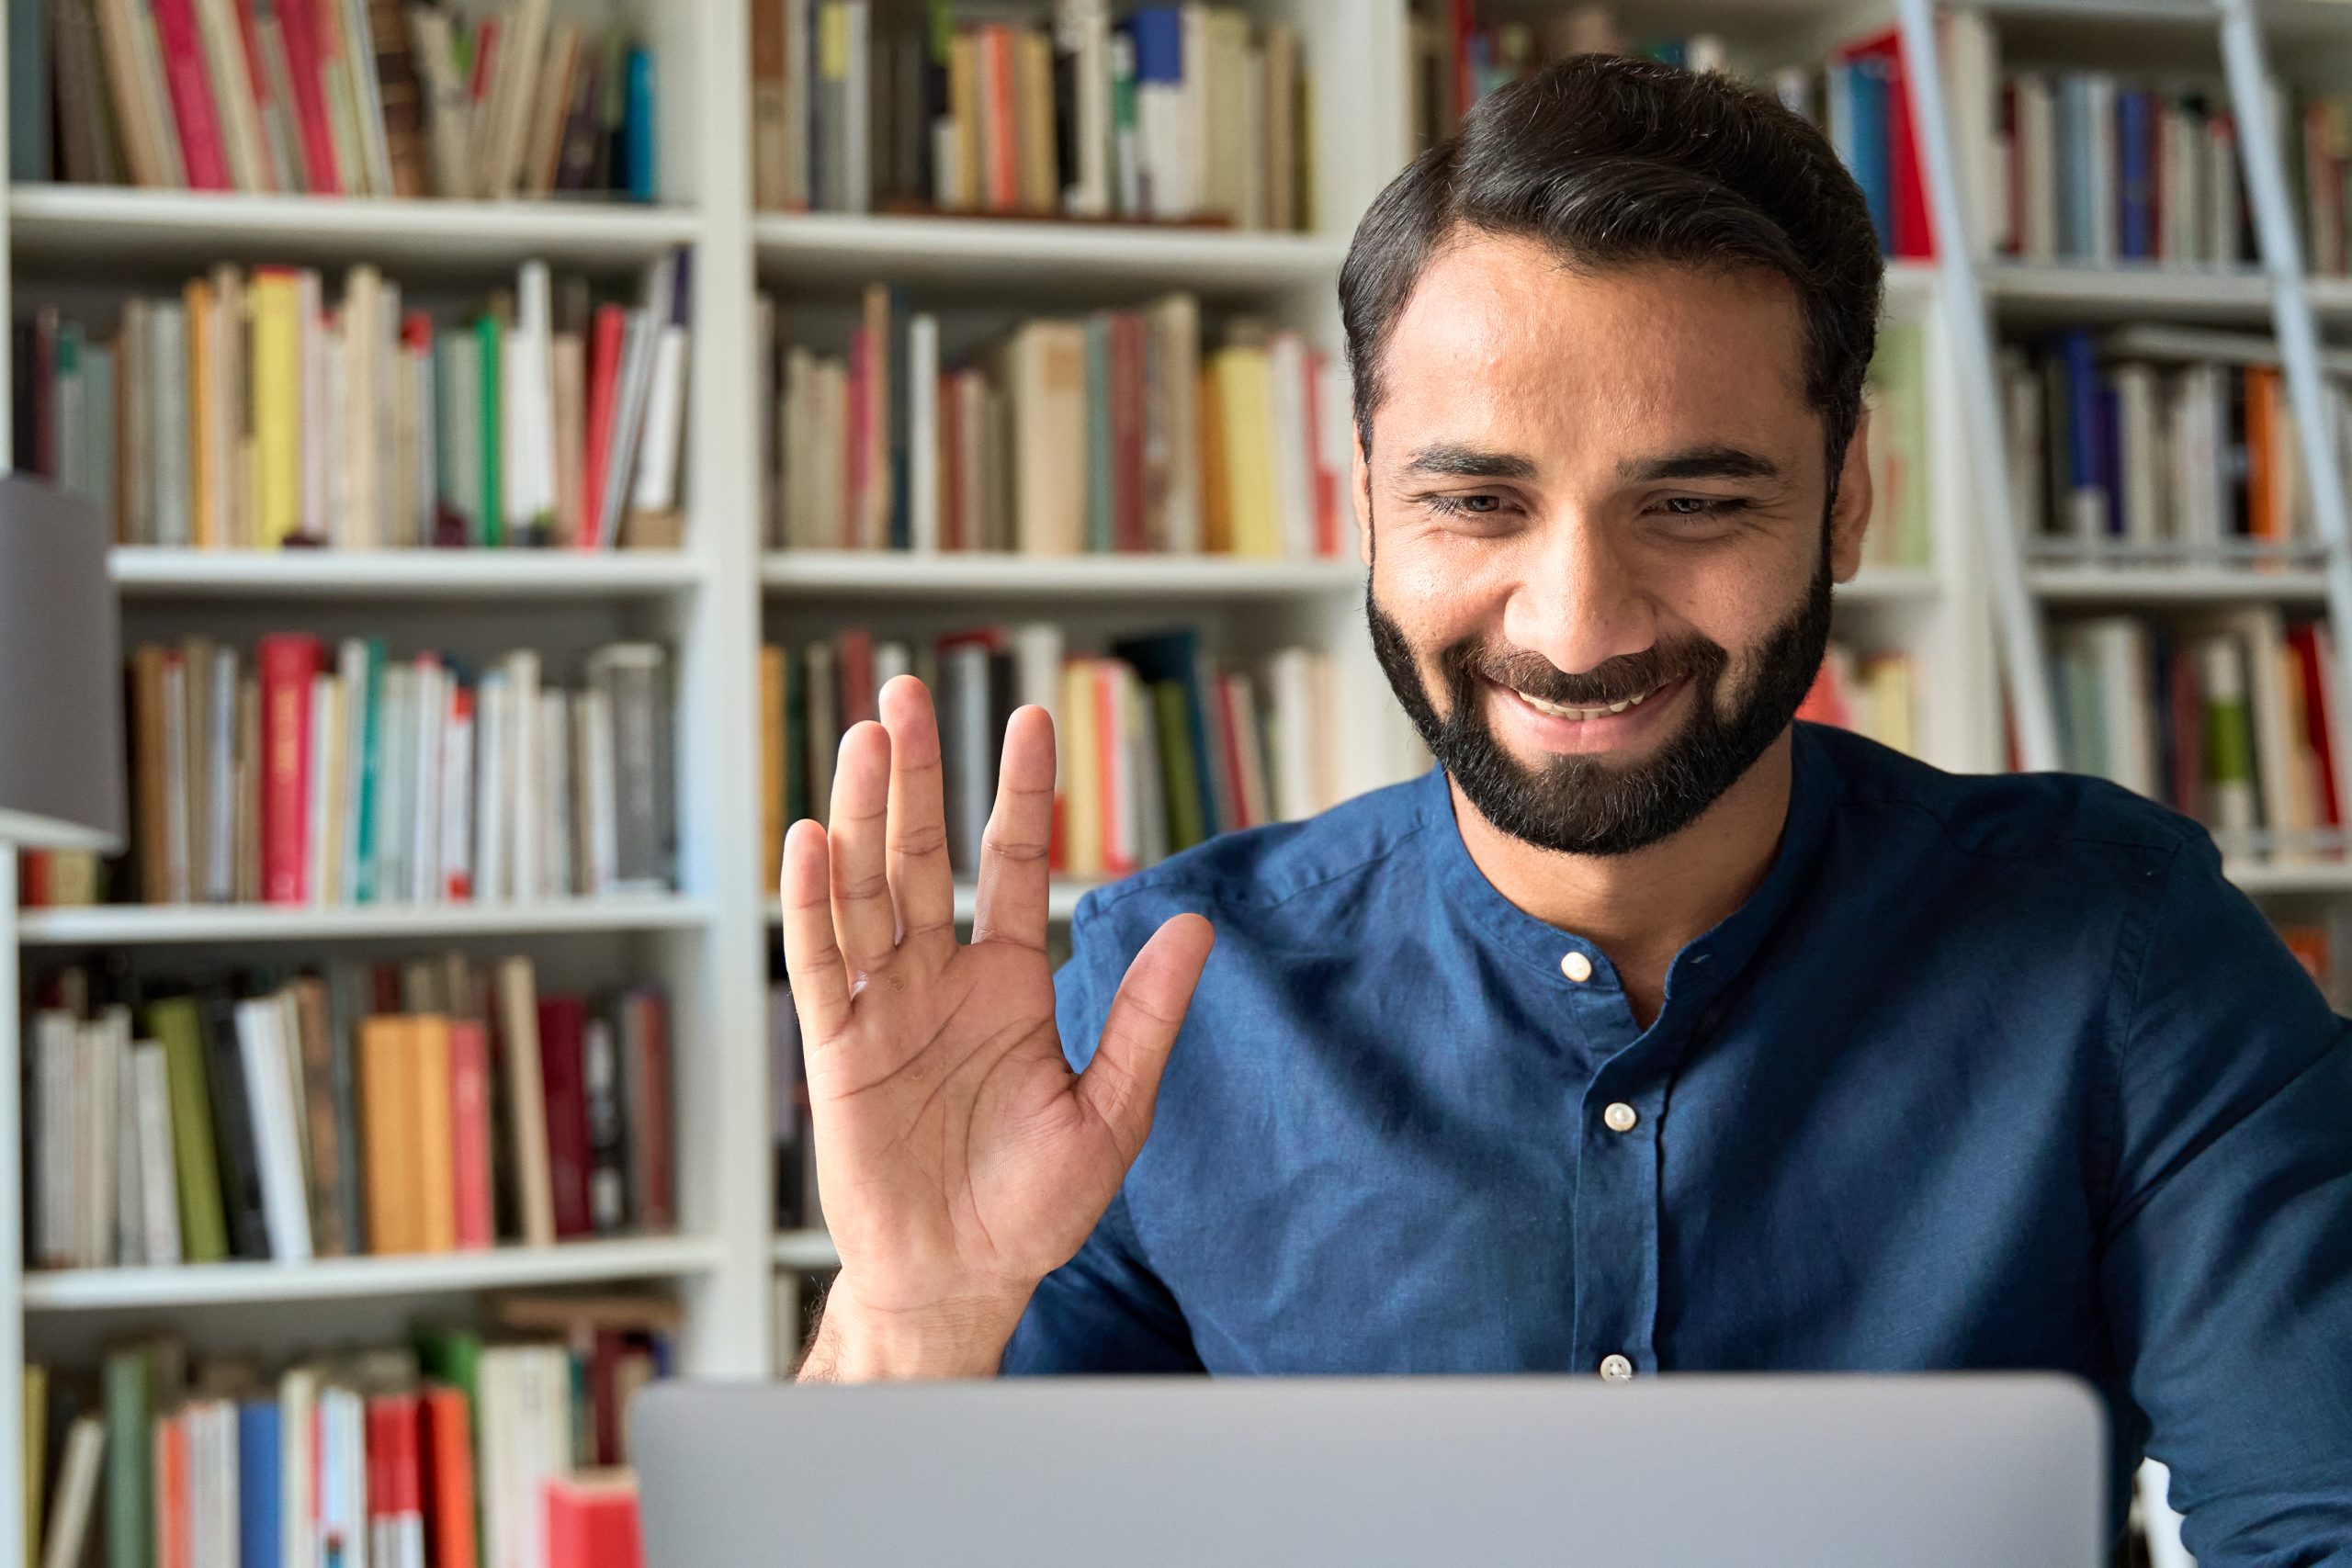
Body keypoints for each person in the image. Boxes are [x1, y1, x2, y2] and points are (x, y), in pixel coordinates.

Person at [775, 51, 2352, 1565]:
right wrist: (911, 1325)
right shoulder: (1161, 1009)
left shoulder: (2123, 954)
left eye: (1696, 504)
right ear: (1366, 502)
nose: (1579, 624)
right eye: (1477, 501)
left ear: (1849, 496)